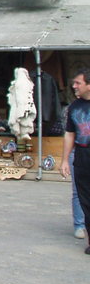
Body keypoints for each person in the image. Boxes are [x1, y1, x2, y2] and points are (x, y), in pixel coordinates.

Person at [61, 68, 90, 254]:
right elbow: (70, 134)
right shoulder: (74, 107)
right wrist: (64, 160)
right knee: (84, 199)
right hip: (82, 156)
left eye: (78, 83)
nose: (74, 86)